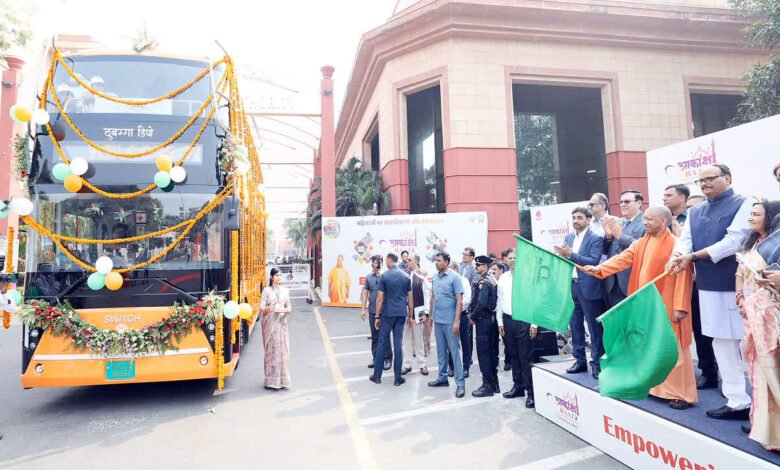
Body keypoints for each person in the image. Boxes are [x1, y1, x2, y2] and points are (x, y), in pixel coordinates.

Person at [584, 207, 696, 409]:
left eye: (649, 220)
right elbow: (623, 258)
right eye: (644, 219)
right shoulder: (642, 242)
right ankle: (653, 386)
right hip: (645, 303)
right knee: (647, 344)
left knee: (673, 347)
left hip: (668, 303)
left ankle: (681, 394)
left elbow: (683, 277)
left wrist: (680, 306)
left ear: (663, 221)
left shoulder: (677, 245)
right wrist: (600, 269)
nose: (645, 223)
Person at [667, 163, 754, 420]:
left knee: (751, 344)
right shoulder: (697, 211)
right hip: (707, 285)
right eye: (700, 181)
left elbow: (735, 241)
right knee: (721, 341)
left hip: (738, 285)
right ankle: (737, 400)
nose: (704, 184)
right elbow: (685, 241)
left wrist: (693, 256)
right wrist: (677, 256)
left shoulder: (745, 203)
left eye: (710, 179)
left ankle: (766, 406)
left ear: (727, 178)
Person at [735, 200, 780, 448]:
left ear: (770, 217)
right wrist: (741, 298)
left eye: (756, 214)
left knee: (772, 370)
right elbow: (740, 274)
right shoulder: (753, 244)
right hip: (752, 315)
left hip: (770, 317)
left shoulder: (775, 246)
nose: (750, 217)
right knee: (757, 372)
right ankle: (763, 426)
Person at [554, 207, 605, 379]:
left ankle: (597, 363)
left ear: (589, 220)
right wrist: (561, 255)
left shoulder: (596, 238)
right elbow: (567, 259)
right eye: (574, 217)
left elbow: (593, 261)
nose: (576, 221)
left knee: (594, 328)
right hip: (572, 287)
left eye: (580, 218)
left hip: (590, 288)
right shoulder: (568, 237)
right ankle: (580, 361)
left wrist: (571, 254)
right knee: (575, 327)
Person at [685, 192, 720, 389]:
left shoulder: (714, 231)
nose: (694, 212)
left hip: (715, 285)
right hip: (693, 286)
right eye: (690, 209)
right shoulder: (684, 229)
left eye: (696, 208)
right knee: (700, 332)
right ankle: (708, 372)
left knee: (722, 335)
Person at [496, 249, 536, 408]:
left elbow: (534, 300)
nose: (512, 260)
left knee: (525, 357)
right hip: (507, 321)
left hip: (524, 319)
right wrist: (499, 322)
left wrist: (534, 323)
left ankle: (531, 392)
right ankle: (517, 386)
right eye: (510, 258)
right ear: (506, 260)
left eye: (515, 258)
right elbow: (500, 301)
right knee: (513, 356)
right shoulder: (503, 278)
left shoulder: (527, 277)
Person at [369, 253, 413, 386]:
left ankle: (377, 376)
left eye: (386, 261)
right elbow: (410, 298)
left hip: (387, 314)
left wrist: (377, 316)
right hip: (401, 313)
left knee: (382, 342)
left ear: (389, 260)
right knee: (398, 344)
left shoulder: (385, 276)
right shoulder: (406, 276)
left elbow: (380, 298)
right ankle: (398, 378)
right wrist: (410, 315)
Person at [428, 252, 466, 398]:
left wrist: (456, 321)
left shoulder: (454, 277)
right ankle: (442, 377)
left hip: (450, 321)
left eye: (439, 260)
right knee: (441, 351)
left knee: (454, 352)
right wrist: (431, 317)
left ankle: (460, 384)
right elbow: (433, 298)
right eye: (435, 260)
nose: (436, 262)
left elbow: (459, 300)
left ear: (447, 262)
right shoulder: (435, 277)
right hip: (438, 320)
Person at [603, 190, 647, 308]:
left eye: (627, 201)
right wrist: (608, 237)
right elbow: (605, 250)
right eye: (620, 202)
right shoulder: (617, 222)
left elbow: (643, 248)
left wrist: (620, 236)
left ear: (638, 203)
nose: (622, 204)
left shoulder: (646, 222)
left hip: (632, 279)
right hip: (612, 280)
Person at [470, 255, 500, 397]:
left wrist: (472, 317)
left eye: (478, 265)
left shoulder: (484, 282)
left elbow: (481, 303)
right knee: (491, 352)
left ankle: (487, 385)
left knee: (484, 353)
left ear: (485, 267)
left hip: (483, 320)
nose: (476, 268)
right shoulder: (491, 279)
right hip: (491, 319)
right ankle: (494, 384)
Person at [260, 268, 292, 390]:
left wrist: (286, 310)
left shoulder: (285, 291)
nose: (279, 277)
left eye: (280, 275)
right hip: (270, 325)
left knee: (282, 352)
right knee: (271, 352)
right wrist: (270, 308)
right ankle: (270, 381)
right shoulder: (266, 291)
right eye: (276, 275)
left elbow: (289, 306)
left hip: (281, 324)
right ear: (272, 277)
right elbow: (262, 308)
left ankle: (283, 381)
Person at [361, 255, 391, 371]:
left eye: (378, 262)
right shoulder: (369, 278)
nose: (376, 264)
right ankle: (375, 358)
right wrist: (363, 309)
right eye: (374, 262)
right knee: (375, 335)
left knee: (386, 335)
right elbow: (365, 293)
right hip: (373, 311)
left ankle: (387, 359)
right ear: (371, 264)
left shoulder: (386, 276)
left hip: (385, 311)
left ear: (382, 263)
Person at [402, 254, 430, 376]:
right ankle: (407, 364)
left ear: (416, 262)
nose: (407, 261)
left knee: (419, 339)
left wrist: (426, 313)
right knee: (406, 339)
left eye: (410, 260)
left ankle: (422, 364)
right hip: (405, 313)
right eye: (407, 260)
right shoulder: (403, 275)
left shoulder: (422, 276)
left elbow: (427, 296)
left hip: (418, 313)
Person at [448, 262, 473, 378]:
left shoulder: (464, 281)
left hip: (462, 315)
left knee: (465, 342)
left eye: (451, 269)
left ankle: (466, 367)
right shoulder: (447, 280)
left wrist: (457, 307)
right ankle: (451, 366)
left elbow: (467, 299)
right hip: (449, 316)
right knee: (451, 342)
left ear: (456, 270)